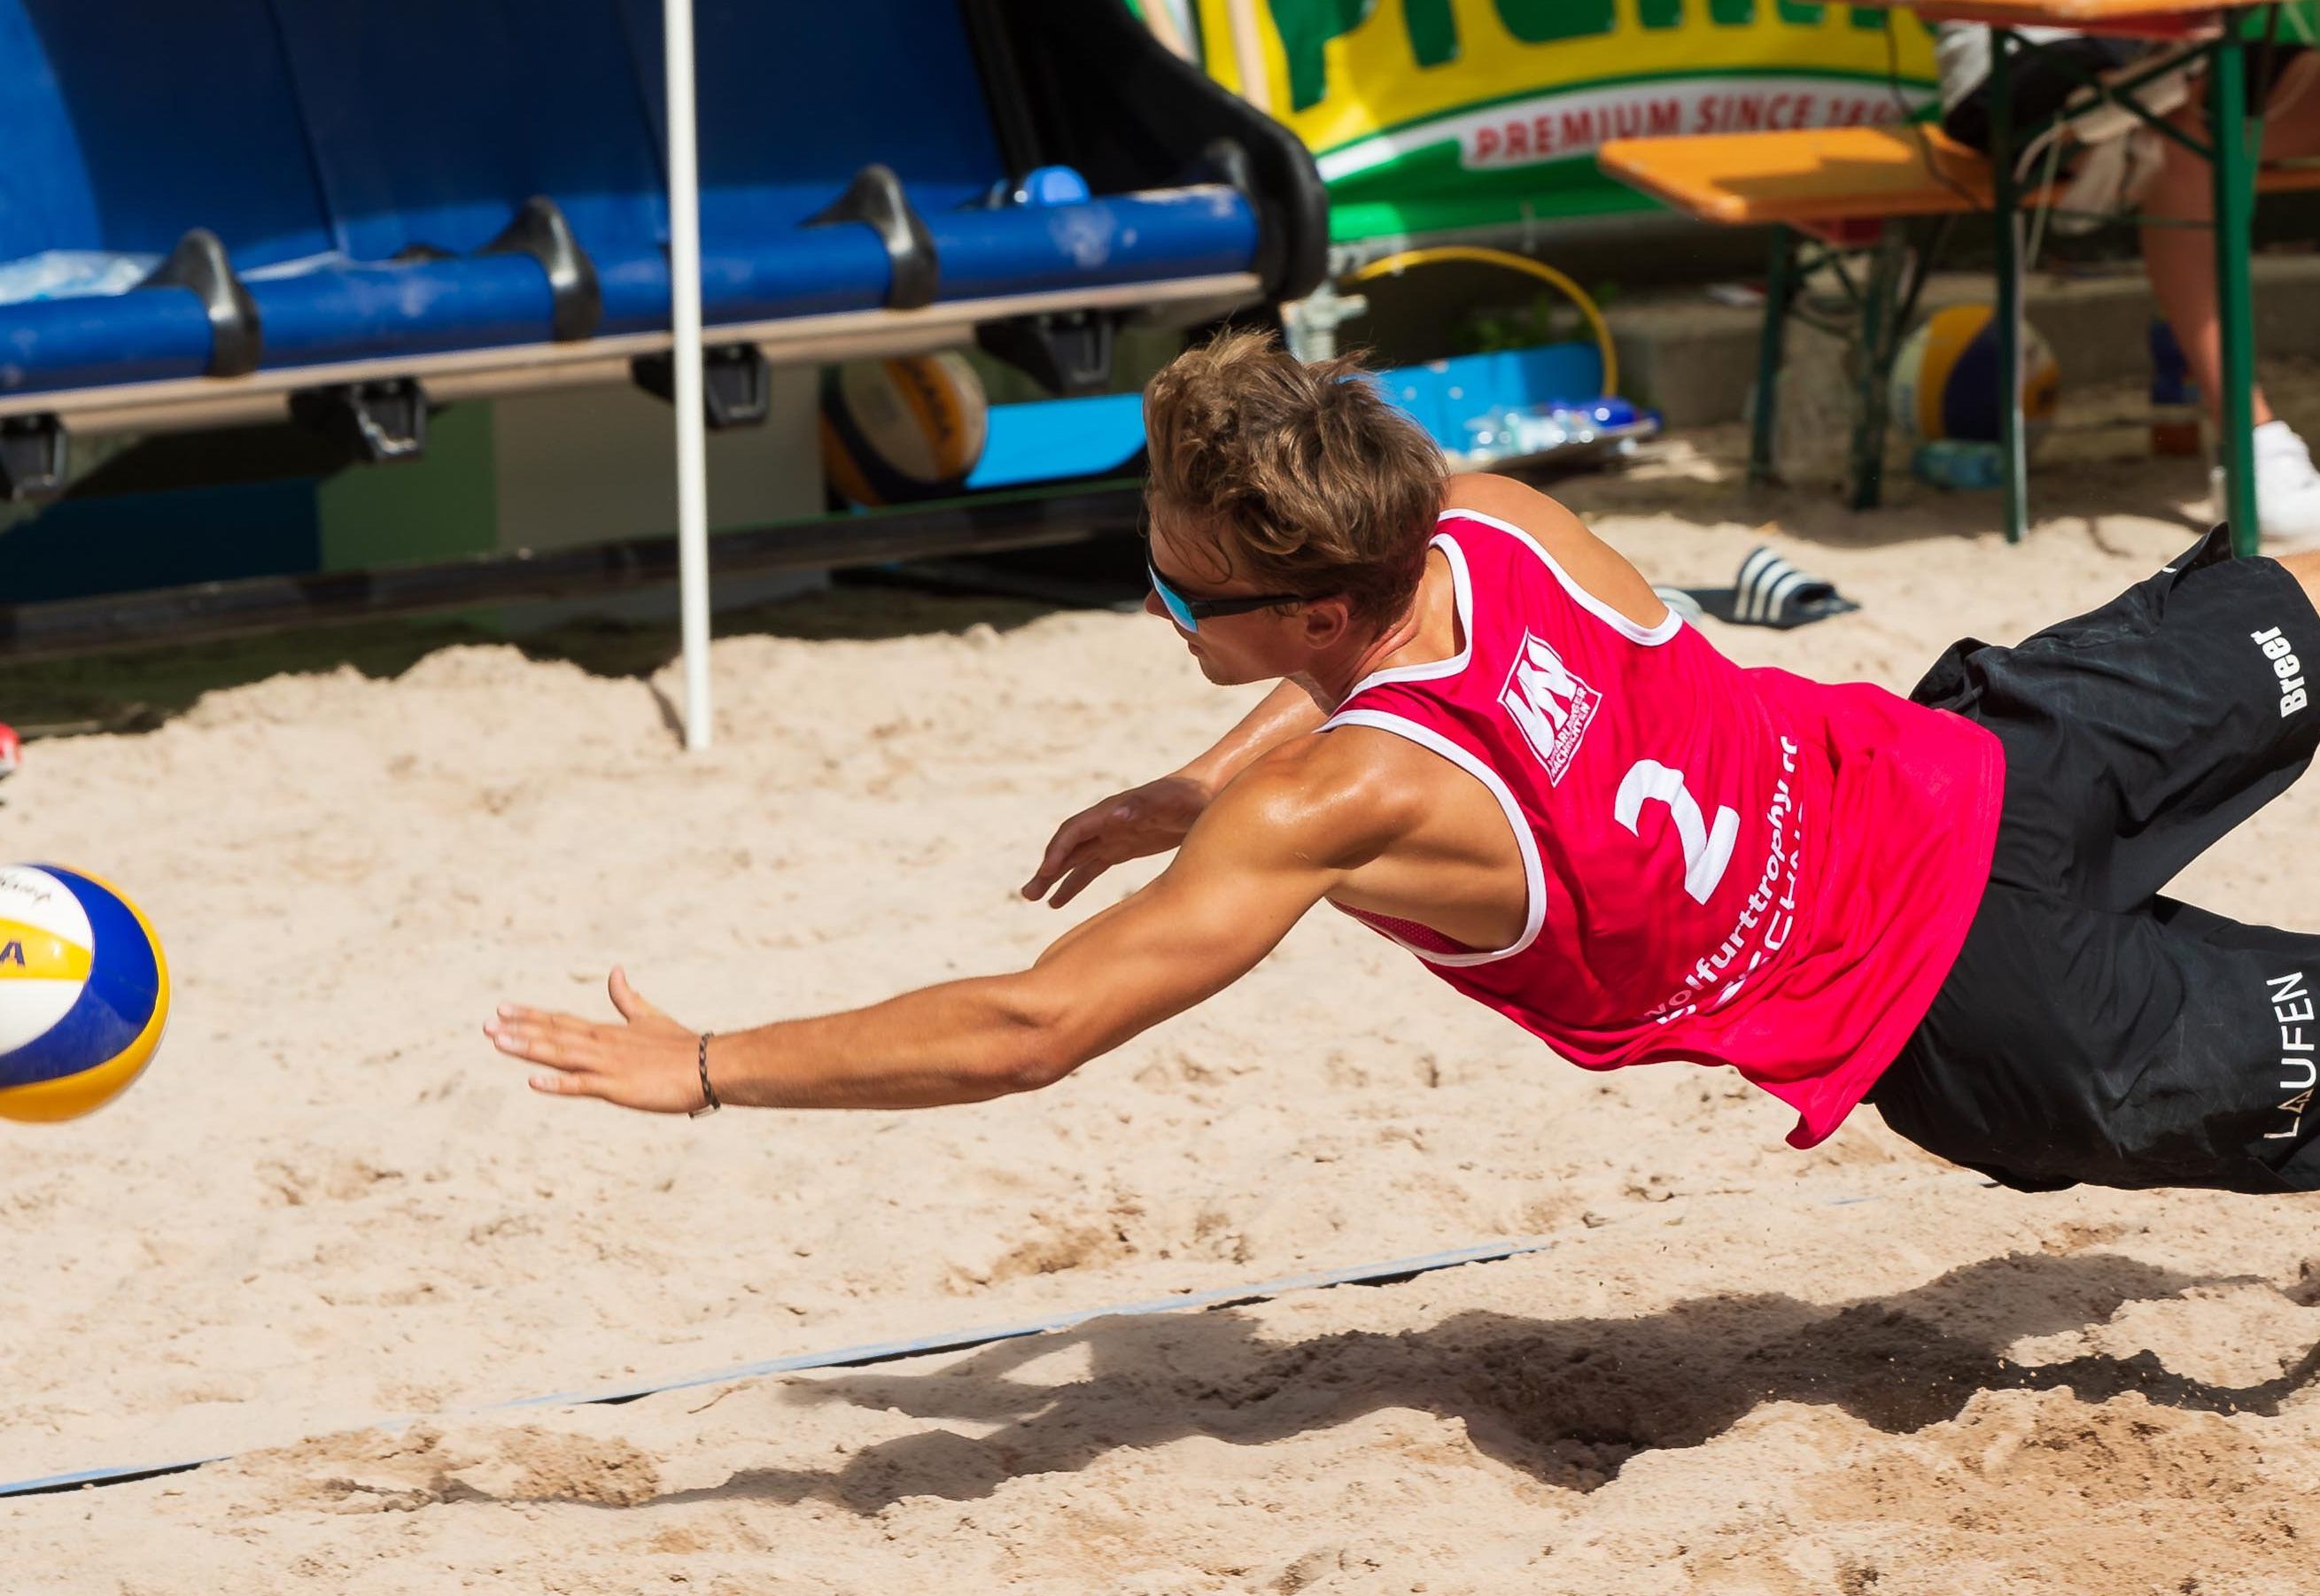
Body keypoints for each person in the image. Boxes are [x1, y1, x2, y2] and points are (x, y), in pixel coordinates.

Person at [486, 331, 2320, 1196]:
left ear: (1306, 613)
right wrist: (1186, 786)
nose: (1153, 605)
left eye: (1169, 582)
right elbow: (1347, 662)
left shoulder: (1338, 804)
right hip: (1962, 772)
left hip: (1978, 993)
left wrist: (709, 1066)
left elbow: (1025, 1030)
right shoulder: (1487, 515)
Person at [1939, 25, 2320, 545]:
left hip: (2182, 54)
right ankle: (2252, 444)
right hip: (2032, 52)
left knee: (2192, 117)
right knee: (2181, 139)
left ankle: (2133, 108)